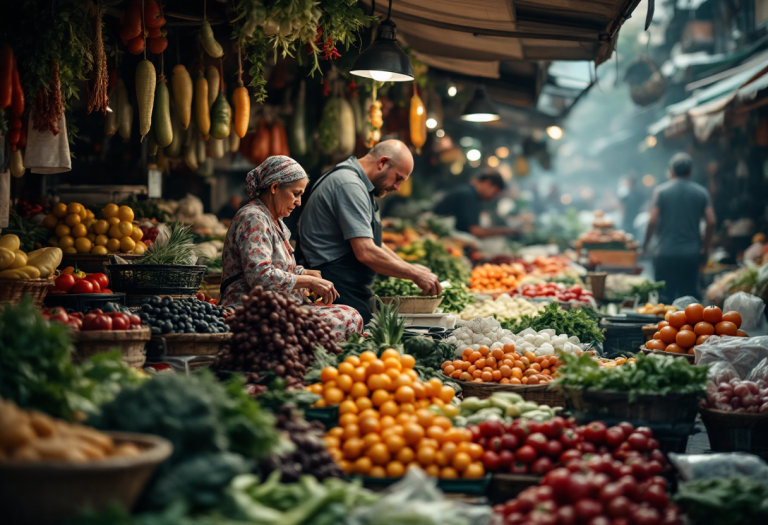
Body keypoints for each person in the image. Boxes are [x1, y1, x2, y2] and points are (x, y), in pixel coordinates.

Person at [297, 140, 441, 323]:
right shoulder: (349, 185)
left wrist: (410, 268)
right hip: (334, 286)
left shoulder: (359, 185)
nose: (397, 187)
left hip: (345, 285)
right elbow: (366, 252)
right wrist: (414, 274)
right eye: (398, 178)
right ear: (382, 162)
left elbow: (374, 244)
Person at [220, 156, 363, 336]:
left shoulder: (273, 220)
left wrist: (303, 273)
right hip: (251, 311)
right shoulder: (253, 218)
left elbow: (277, 267)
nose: (298, 202)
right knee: (345, 319)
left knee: (350, 314)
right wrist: (308, 281)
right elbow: (259, 275)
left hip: (277, 309)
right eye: (296, 194)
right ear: (274, 187)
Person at [643, 153, 716, 303]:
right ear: (690, 172)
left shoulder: (661, 191)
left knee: (664, 301)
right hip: (690, 255)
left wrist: (645, 244)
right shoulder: (701, 192)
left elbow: (652, 221)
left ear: (671, 171)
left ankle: (663, 327)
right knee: (689, 303)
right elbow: (711, 221)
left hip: (665, 253)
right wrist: (705, 247)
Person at [434, 172, 516, 238]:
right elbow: (476, 231)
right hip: (437, 236)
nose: (493, 197)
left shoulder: (471, 193)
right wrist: (506, 231)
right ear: (487, 184)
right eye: (494, 193)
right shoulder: (469, 195)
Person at [620, 173, 645, 238]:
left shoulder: (628, 193)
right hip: (633, 219)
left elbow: (622, 206)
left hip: (631, 219)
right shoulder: (639, 192)